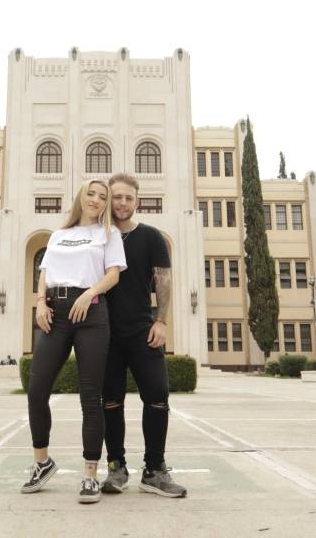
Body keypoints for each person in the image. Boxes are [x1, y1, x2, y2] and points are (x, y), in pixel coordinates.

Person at [22, 179, 126, 504]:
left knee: (90, 397)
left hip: (91, 314)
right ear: (80, 196)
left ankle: (90, 475)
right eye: (91, 193)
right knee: (37, 390)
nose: (96, 199)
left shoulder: (108, 234)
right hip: (55, 312)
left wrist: (90, 293)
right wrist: (40, 301)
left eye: (102, 196)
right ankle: (43, 463)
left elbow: (113, 274)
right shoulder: (58, 235)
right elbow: (45, 271)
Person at [100, 173, 186, 498]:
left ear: (137, 201)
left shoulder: (151, 237)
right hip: (105, 333)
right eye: (117, 197)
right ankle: (116, 467)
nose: (122, 203)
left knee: (158, 397)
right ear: (109, 199)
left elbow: (163, 280)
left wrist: (161, 321)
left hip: (142, 330)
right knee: (110, 402)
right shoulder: (98, 236)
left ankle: (154, 470)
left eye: (129, 198)